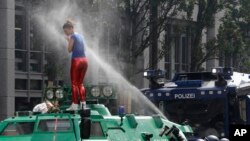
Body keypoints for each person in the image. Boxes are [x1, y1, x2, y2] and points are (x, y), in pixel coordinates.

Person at [63, 20, 88, 110]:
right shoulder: (81, 36)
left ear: (71, 29)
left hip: (76, 61)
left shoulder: (72, 36)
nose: (66, 33)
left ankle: (74, 104)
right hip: (85, 61)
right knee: (80, 83)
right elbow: (84, 49)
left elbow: (69, 50)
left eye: (66, 31)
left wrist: (68, 41)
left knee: (74, 83)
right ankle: (83, 104)